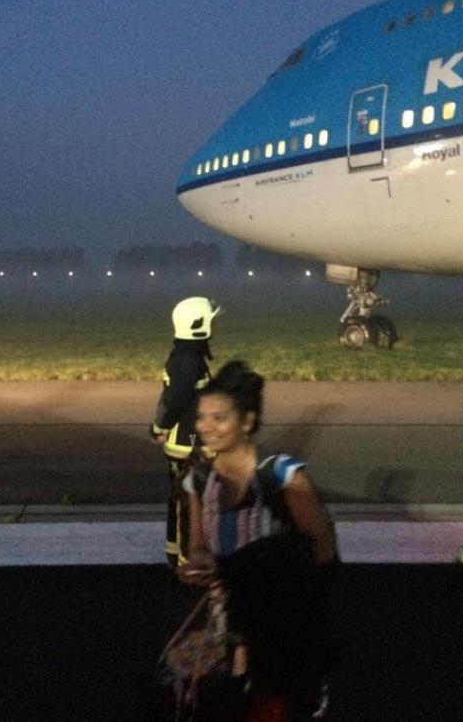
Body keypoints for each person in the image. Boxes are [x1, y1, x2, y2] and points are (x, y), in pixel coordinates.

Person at [180, 360, 338, 720]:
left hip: (281, 620)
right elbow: (197, 548)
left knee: (277, 701)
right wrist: (198, 566)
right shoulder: (198, 482)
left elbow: (322, 549)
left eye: (219, 418)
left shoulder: (282, 476)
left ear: (247, 421)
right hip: (229, 620)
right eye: (201, 417)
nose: (206, 427)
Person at [150, 296, 221, 566]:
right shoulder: (188, 360)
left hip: (190, 441)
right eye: (211, 320)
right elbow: (175, 400)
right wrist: (159, 427)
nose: (216, 324)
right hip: (187, 443)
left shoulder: (189, 356)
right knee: (187, 502)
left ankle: (179, 554)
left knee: (186, 501)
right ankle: (185, 559)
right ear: (198, 325)